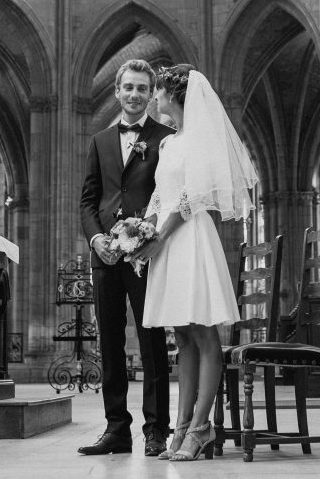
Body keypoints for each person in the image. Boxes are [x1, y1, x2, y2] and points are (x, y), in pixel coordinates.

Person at [135, 65, 258, 462]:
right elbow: (160, 195)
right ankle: (183, 424)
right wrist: (141, 231)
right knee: (183, 337)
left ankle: (202, 426)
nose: (154, 98)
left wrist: (160, 235)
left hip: (189, 237)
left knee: (205, 336)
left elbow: (191, 197)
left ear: (173, 95)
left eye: (158, 92)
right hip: (167, 239)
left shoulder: (200, 139)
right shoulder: (169, 143)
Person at [78, 58, 173, 456]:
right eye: (128, 87)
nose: (134, 94)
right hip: (105, 258)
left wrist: (144, 235)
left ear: (151, 95)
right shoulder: (99, 141)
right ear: (117, 92)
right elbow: (88, 200)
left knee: (152, 342)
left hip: (145, 254)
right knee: (111, 342)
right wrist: (96, 238)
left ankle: (156, 430)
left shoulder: (166, 138)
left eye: (141, 88)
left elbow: (169, 195)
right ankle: (116, 428)